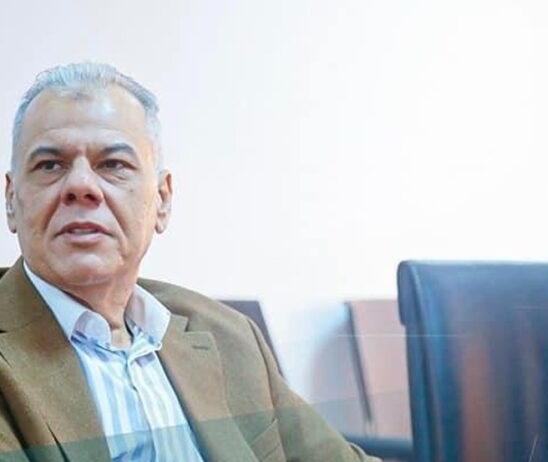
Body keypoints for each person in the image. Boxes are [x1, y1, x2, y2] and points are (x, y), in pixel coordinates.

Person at [1, 62, 377, 461]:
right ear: (11, 200)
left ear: (162, 200)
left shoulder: (229, 337)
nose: (80, 185)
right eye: (50, 165)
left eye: (113, 165)